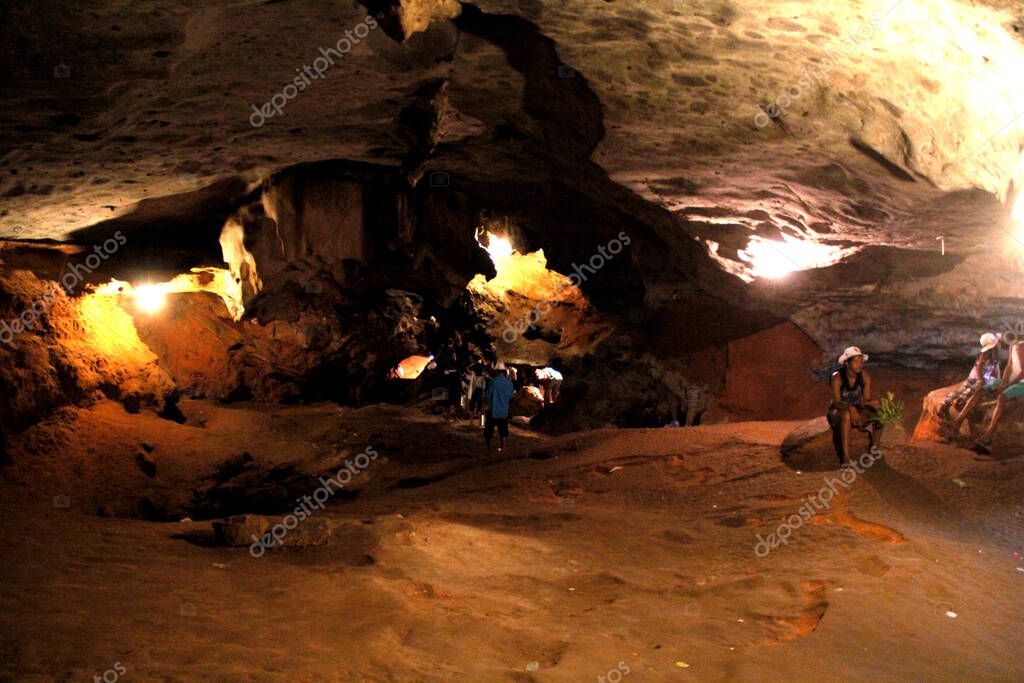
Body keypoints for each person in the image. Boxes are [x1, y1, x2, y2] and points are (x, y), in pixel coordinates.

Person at [828, 346, 883, 465]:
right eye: (856, 361)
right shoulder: (837, 377)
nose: (860, 364)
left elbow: (866, 398)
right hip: (838, 411)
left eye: (861, 361)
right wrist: (850, 408)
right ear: (847, 363)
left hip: (856, 409)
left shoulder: (865, 376)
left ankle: (873, 450)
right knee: (846, 415)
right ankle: (846, 458)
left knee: (880, 414)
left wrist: (873, 403)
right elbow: (837, 402)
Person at [942, 332, 1002, 436]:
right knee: (972, 392)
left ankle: (956, 416)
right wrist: (982, 381)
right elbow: (979, 368)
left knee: (974, 390)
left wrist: (997, 380)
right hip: (976, 377)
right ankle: (956, 415)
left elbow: (996, 369)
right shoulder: (986, 353)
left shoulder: (994, 353)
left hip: (984, 378)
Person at [974, 340, 1024, 453]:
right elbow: (1009, 366)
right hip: (1013, 380)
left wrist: (1006, 386)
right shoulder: (1014, 345)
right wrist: (1003, 382)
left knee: (1002, 397)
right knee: (983, 390)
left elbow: (1022, 373)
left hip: (1022, 382)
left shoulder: (1022, 347)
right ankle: (959, 420)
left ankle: (989, 435)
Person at [484, 361, 515, 454]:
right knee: (503, 429)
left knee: (489, 430)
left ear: (496, 372)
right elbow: (511, 396)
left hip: (493, 409)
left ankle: (489, 450)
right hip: (504, 410)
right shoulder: (509, 383)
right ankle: (503, 448)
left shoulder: (493, 382)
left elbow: (487, 396)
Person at [435, 337, 462, 422]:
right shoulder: (451, 351)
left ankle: (446, 416)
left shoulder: (441, 351)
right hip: (450, 379)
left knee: (444, 397)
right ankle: (449, 416)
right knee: (451, 398)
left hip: (443, 377)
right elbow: (454, 361)